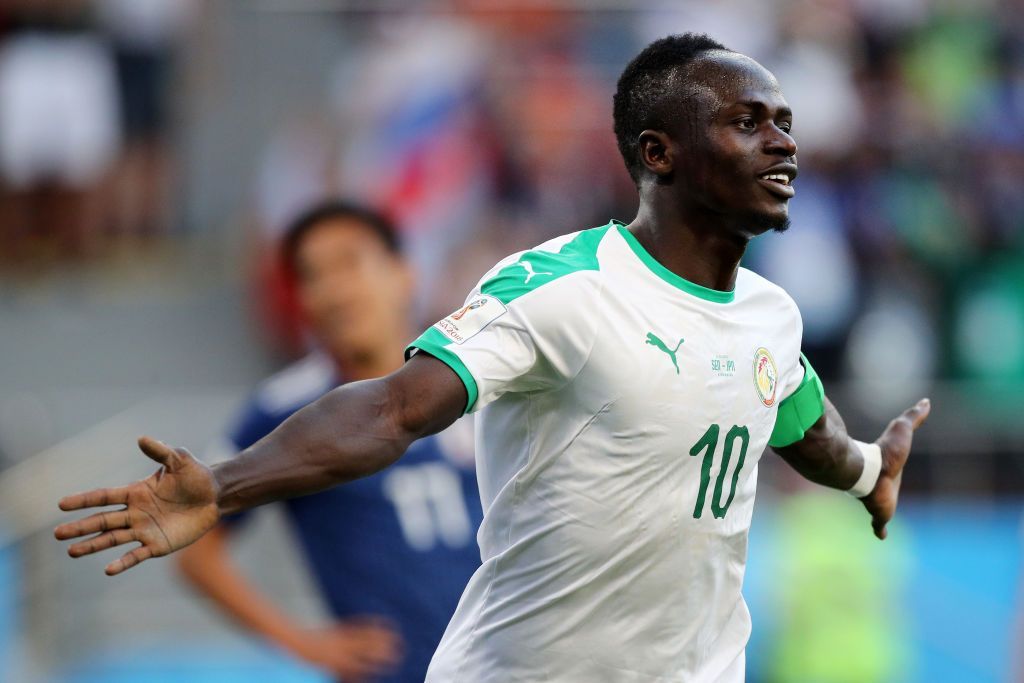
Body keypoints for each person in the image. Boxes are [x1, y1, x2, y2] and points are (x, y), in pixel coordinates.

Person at [55, 34, 931, 683]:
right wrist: (230, 484)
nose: (783, 141)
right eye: (749, 123)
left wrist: (866, 473)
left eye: (784, 122)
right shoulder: (561, 286)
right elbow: (395, 407)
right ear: (657, 153)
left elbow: (803, 424)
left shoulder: (772, 318)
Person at [179, 201, 482, 682]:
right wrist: (302, 642)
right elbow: (197, 550)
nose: (333, 290)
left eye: (350, 263)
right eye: (312, 276)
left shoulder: (476, 373)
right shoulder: (286, 409)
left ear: (404, 274)